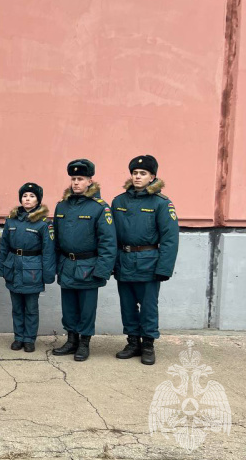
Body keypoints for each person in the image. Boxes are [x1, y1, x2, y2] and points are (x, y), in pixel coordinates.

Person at [112, 155, 179, 365]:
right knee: (127, 305)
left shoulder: (161, 203)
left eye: (143, 173)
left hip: (148, 263)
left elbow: (170, 238)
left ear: (152, 177)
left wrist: (164, 268)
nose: (138, 177)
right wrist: (111, 263)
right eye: (135, 173)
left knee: (148, 306)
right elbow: (110, 237)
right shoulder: (119, 201)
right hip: (124, 260)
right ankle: (133, 342)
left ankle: (148, 344)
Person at [52, 159, 117, 361]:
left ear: (90, 181)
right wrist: (55, 266)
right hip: (66, 265)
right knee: (69, 307)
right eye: (73, 179)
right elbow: (56, 240)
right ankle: (71, 340)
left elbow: (108, 242)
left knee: (87, 309)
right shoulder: (62, 206)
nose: (76, 183)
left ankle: (84, 343)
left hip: (88, 266)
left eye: (80, 179)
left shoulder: (99, 208)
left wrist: (102, 270)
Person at [0, 183, 56, 352]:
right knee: (17, 308)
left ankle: (29, 339)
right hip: (13, 267)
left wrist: (48, 275)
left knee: (31, 308)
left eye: (31, 196)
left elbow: (48, 251)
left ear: (38, 200)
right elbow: (4, 246)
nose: (27, 199)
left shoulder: (44, 223)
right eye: (24, 196)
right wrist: (2, 268)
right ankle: (18, 337)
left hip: (33, 270)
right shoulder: (11, 220)